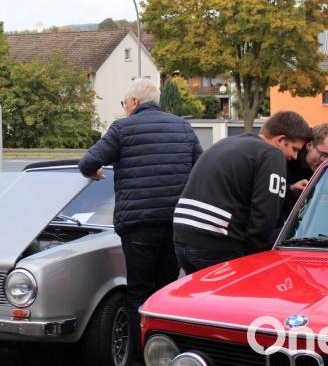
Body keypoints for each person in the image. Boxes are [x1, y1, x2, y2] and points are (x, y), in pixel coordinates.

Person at [78, 78, 203, 359]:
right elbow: (201, 166)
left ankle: (139, 356)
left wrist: (96, 172)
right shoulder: (182, 127)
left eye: (124, 104)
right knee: (165, 293)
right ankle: (167, 355)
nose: (124, 109)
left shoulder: (122, 128)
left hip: (138, 227)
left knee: (139, 293)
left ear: (134, 102)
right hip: (175, 224)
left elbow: (87, 163)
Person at [173, 111, 313, 275]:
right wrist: (255, 260)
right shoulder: (272, 154)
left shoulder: (229, 143)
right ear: (281, 139)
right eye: (294, 149)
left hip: (182, 238)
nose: (295, 157)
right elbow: (264, 216)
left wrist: (288, 190)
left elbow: (241, 188)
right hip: (218, 244)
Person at [278, 123, 328, 226]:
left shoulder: (325, 167)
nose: (325, 162)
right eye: (324, 155)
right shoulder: (286, 158)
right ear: (309, 145)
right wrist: (290, 189)